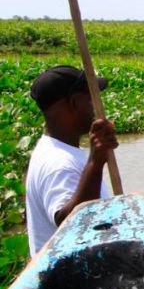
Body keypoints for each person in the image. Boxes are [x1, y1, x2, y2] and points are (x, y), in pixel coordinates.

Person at [25, 65, 119, 256]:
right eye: (90, 98)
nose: (94, 106)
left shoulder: (53, 147)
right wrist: (95, 162)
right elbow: (69, 223)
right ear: (74, 103)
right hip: (69, 276)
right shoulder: (58, 163)